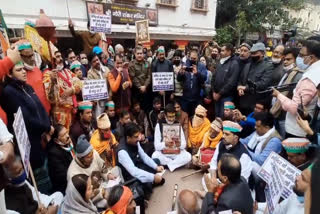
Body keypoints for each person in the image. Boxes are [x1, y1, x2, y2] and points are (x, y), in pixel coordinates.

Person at [1, 61, 52, 194]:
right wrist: (45, 128)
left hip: (41, 137)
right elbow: (26, 118)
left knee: (46, 170)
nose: (24, 71)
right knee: (37, 176)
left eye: (24, 68)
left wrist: (48, 125)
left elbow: (41, 108)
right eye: (19, 70)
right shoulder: (8, 92)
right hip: (28, 141)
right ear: (10, 75)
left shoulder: (28, 87)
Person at [272, 40, 320, 137]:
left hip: (297, 129)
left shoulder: (311, 78)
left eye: (302, 55)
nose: (298, 58)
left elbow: (296, 108)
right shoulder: (312, 71)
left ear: (311, 57)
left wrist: (279, 95)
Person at [116, 122, 165, 199]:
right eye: (136, 137)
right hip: (130, 176)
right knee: (139, 190)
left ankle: (151, 183)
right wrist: (153, 177)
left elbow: (144, 156)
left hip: (138, 165)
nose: (139, 138)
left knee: (156, 162)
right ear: (128, 138)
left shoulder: (135, 141)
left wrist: (156, 167)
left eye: (138, 135)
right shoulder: (122, 152)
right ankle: (150, 184)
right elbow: (134, 172)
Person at [270, 47, 303, 138]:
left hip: (286, 116)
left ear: (297, 60)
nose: (285, 62)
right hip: (278, 113)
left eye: (289, 59)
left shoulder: (298, 75)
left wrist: (278, 95)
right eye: (284, 59)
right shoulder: (287, 73)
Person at [43, 55, 82, 129]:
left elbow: (79, 83)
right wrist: (53, 82)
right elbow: (51, 98)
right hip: (60, 116)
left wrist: (72, 90)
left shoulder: (67, 71)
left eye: (61, 56)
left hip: (72, 112)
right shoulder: (48, 74)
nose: (61, 59)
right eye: (57, 57)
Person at [151, 103, 191, 172]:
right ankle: (174, 164)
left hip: (176, 153)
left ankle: (169, 165)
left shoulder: (178, 124)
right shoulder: (159, 125)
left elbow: (184, 144)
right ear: (165, 115)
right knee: (154, 155)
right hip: (164, 153)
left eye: (173, 116)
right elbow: (156, 146)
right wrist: (165, 144)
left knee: (188, 156)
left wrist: (179, 145)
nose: (171, 119)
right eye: (169, 117)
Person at [237, 42, 273, 115]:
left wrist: (245, 88)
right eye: (252, 53)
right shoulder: (247, 65)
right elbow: (241, 79)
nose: (253, 55)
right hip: (243, 101)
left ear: (262, 53)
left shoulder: (268, 66)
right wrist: (239, 87)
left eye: (255, 53)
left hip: (256, 104)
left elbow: (263, 84)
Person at [18, 42, 51, 114]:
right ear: (20, 56)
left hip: (46, 113)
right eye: (28, 56)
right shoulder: (18, 75)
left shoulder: (37, 70)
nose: (32, 59)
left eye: (32, 55)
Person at [212, 43, 240, 118]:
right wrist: (214, 91)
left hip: (226, 97)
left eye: (223, 50)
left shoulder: (234, 64)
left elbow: (231, 82)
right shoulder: (220, 62)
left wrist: (219, 93)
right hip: (216, 95)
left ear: (229, 52)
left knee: (224, 117)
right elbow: (214, 77)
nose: (220, 52)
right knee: (217, 117)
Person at [177, 49, 207, 116]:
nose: (192, 59)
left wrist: (197, 73)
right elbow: (178, 79)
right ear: (188, 57)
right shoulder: (184, 64)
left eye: (194, 58)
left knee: (195, 117)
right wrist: (181, 73)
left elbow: (204, 79)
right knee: (185, 116)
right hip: (185, 97)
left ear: (197, 58)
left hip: (197, 98)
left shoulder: (202, 66)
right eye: (191, 58)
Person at [47, 124, 75, 194]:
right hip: (65, 187)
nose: (67, 136)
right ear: (56, 140)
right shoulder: (53, 154)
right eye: (63, 135)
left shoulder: (69, 142)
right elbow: (64, 176)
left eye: (66, 132)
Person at [128, 45, 152, 113]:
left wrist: (145, 86)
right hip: (136, 91)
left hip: (146, 89)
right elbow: (133, 77)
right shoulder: (131, 64)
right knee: (137, 110)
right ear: (135, 54)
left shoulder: (147, 63)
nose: (139, 55)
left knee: (147, 109)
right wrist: (140, 87)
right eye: (138, 53)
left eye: (141, 53)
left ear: (143, 54)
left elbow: (149, 76)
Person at [87, 52, 111, 118]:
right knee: (99, 118)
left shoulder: (106, 69)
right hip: (98, 102)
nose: (97, 62)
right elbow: (92, 90)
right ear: (91, 63)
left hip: (109, 98)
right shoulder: (90, 74)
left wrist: (110, 95)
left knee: (110, 117)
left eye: (97, 60)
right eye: (94, 61)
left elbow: (111, 84)